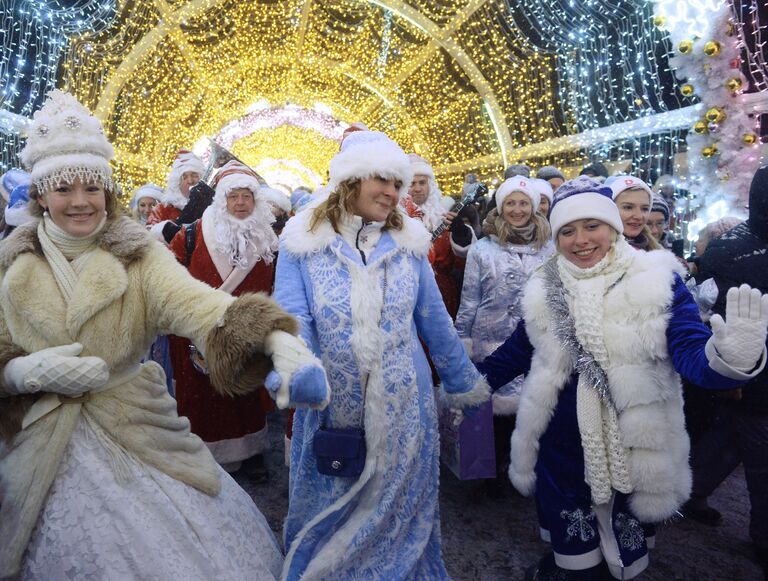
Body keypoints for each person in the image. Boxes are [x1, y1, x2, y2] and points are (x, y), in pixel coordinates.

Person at [0, 90, 329, 579]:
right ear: (41, 195)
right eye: (63, 189)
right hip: (38, 435)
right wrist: (18, 373)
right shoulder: (13, 262)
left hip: (135, 426)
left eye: (91, 188)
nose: (79, 202)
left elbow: (200, 305)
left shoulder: (139, 256)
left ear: (107, 192)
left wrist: (275, 339)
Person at [476, 177, 768, 580]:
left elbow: (688, 350)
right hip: (562, 448)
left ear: (612, 228)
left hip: (634, 444)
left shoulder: (656, 281)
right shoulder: (545, 288)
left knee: (623, 560)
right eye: (567, 231)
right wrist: (467, 385)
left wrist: (726, 358)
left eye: (591, 226)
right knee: (577, 560)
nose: (580, 240)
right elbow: (517, 352)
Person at [274, 131, 488, 580]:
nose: (394, 193)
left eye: (398, 183)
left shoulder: (409, 245)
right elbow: (292, 317)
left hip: (406, 409)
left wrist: (462, 382)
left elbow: (434, 320)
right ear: (350, 182)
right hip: (333, 411)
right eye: (382, 182)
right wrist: (296, 370)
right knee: (332, 513)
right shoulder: (302, 243)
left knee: (399, 520)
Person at [168, 160, 280, 475]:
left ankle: (251, 450)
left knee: (245, 394)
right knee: (202, 399)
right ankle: (202, 454)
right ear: (223, 200)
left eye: (247, 196)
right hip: (197, 330)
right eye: (234, 196)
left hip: (249, 330)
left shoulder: (269, 240)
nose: (241, 202)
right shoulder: (190, 235)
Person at [687, 166, 768, 576]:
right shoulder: (731, 249)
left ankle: (693, 493)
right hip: (747, 374)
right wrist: (728, 374)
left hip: (753, 379)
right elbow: (712, 314)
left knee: (729, 443)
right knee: (758, 456)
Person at [455, 177, 554, 494]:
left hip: (534, 342)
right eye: (510, 202)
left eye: (523, 202)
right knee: (491, 412)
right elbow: (469, 298)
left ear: (534, 206)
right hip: (490, 339)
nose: (517, 209)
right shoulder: (483, 248)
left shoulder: (550, 249)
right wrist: (462, 342)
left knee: (531, 409)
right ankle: (488, 473)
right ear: (500, 207)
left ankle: (524, 469)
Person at [402, 154, 474, 318]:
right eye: (412, 183)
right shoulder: (394, 218)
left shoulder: (445, 217)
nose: (418, 188)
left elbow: (464, 265)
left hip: (443, 295)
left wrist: (461, 235)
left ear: (430, 185)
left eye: (422, 183)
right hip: (408, 295)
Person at [146, 148, 205, 237]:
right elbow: (149, 236)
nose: (190, 181)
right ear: (177, 182)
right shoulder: (163, 209)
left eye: (194, 175)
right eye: (184, 177)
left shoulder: (209, 206)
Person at [606, 175, 659, 251]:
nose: (639, 216)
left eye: (644, 209)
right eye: (628, 207)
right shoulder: (595, 255)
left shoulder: (656, 252)